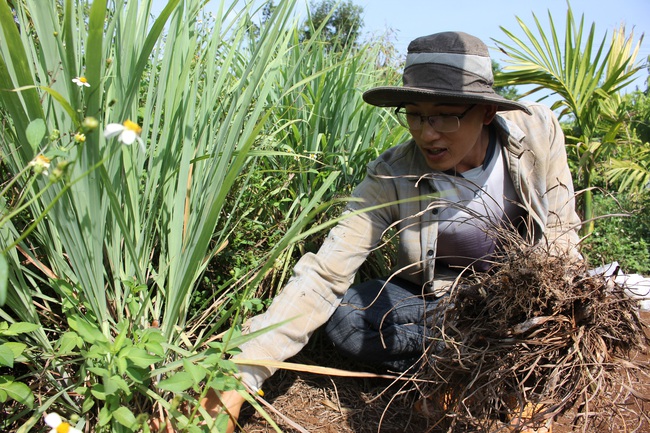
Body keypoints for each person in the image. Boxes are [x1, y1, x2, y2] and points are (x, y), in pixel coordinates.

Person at [201, 31, 582, 431]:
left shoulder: (537, 133)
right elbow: (326, 271)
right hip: (439, 307)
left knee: (541, 328)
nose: (426, 133)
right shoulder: (393, 172)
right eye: (415, 114)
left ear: (485, 113)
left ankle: (498, 368)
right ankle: (461, 371)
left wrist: (543, 322)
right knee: (349, 316)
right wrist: (242, 372)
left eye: (444, 116)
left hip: (513, 302)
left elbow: (559, 235)